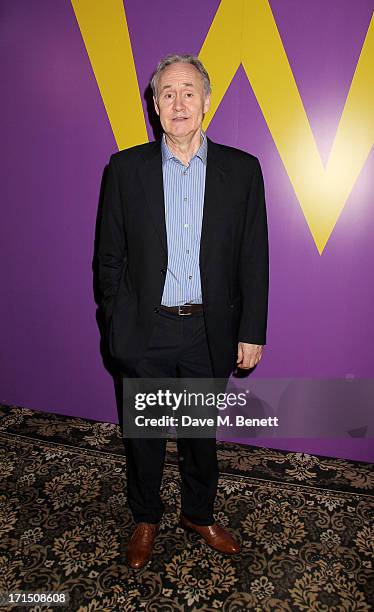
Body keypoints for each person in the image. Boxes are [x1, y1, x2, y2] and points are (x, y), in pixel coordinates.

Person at [97, 54, 269, 569]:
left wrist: (251, 329)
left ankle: (198, 513)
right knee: (143, 434)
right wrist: (117, 320)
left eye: (189, 92)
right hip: (145, 332)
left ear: (207, 101)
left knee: (199, 435)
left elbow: (253, 258)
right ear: (154, 104)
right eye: (167, 93)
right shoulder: (125, 169)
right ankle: (145, 516)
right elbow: (109, 256)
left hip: (206, 331)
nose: (178, 103)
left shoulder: (242, 171)